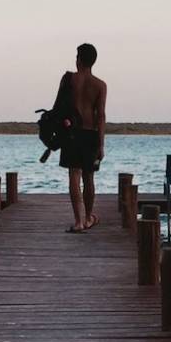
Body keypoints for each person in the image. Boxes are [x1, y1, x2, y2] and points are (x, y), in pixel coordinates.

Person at [60, 42, 107, 231]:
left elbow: (60, 107)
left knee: (74, 174)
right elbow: (101, 116)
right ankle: (88, 217)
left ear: (79, 59)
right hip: (91, 133)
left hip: (72, 132)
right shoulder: (100, 85)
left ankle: (78, 221)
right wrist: (101, 144)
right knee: (89, 177)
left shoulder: (69, 80)